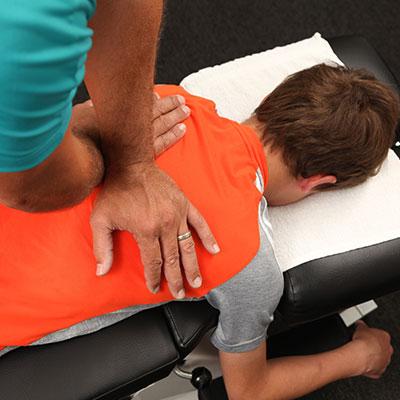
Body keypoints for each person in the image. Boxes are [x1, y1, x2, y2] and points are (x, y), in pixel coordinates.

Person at [0, 64, 399, 400]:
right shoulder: (247, 261)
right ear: (317, 182)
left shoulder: (167, 102)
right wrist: (360, 356)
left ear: (267, 102)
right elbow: (250, 391)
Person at [0, 0, 219, 301]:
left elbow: (126, 6)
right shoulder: (19, 34)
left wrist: (133, 162)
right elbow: (30, 188)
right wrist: (81, 138)